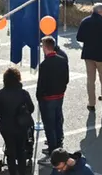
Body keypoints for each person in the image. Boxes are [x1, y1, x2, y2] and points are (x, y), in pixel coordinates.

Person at [0, 67, 35, 175]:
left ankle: (12, 172)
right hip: (21, 126)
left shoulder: (0, 94)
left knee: (10, 150)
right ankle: (22, 171)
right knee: (21, 149)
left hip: (6, 127)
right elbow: (31, 108)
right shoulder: (23, 93)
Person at [76, 3, 102, 112]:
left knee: (90, 80)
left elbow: (79, 37)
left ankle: (91, 103)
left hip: (88, 55)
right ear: (101, 11)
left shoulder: (85, 21)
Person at [37, 36, 69, 164]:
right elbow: (66, 79)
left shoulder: (44, 65)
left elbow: (41, 84)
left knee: (49, 126)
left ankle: (52, 152)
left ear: (45, 47)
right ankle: (58, 145)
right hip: (59, 96)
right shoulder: (62, 61)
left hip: (47, 98)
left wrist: (39, 97)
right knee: (58, 121)